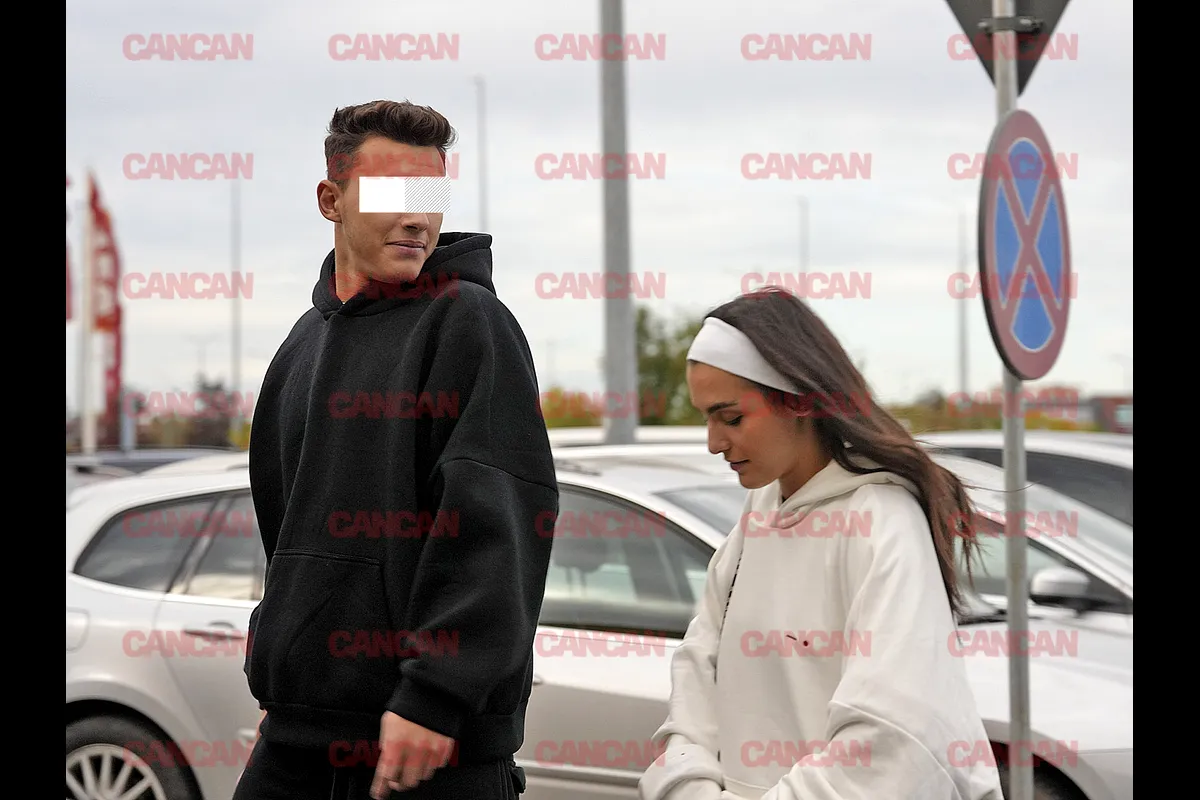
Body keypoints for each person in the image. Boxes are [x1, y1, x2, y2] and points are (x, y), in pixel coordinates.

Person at [236, 100, 558, 800]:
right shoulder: (300, 347)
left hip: (427, 746)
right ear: (331, 200)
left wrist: (438, 693)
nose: (417, 219)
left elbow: (498, 527)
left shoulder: (469, 324)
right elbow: (283, 539)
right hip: (297, 737)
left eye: (431, 196)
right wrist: (283, 677)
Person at [638, 288, 1004, 800]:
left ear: (799, 401)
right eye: (707, 418)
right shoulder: (759, 516)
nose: (714, 443)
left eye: (731, 417)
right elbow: (700, 668)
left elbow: (892, 738)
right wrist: (688, 784)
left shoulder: (881, 522)